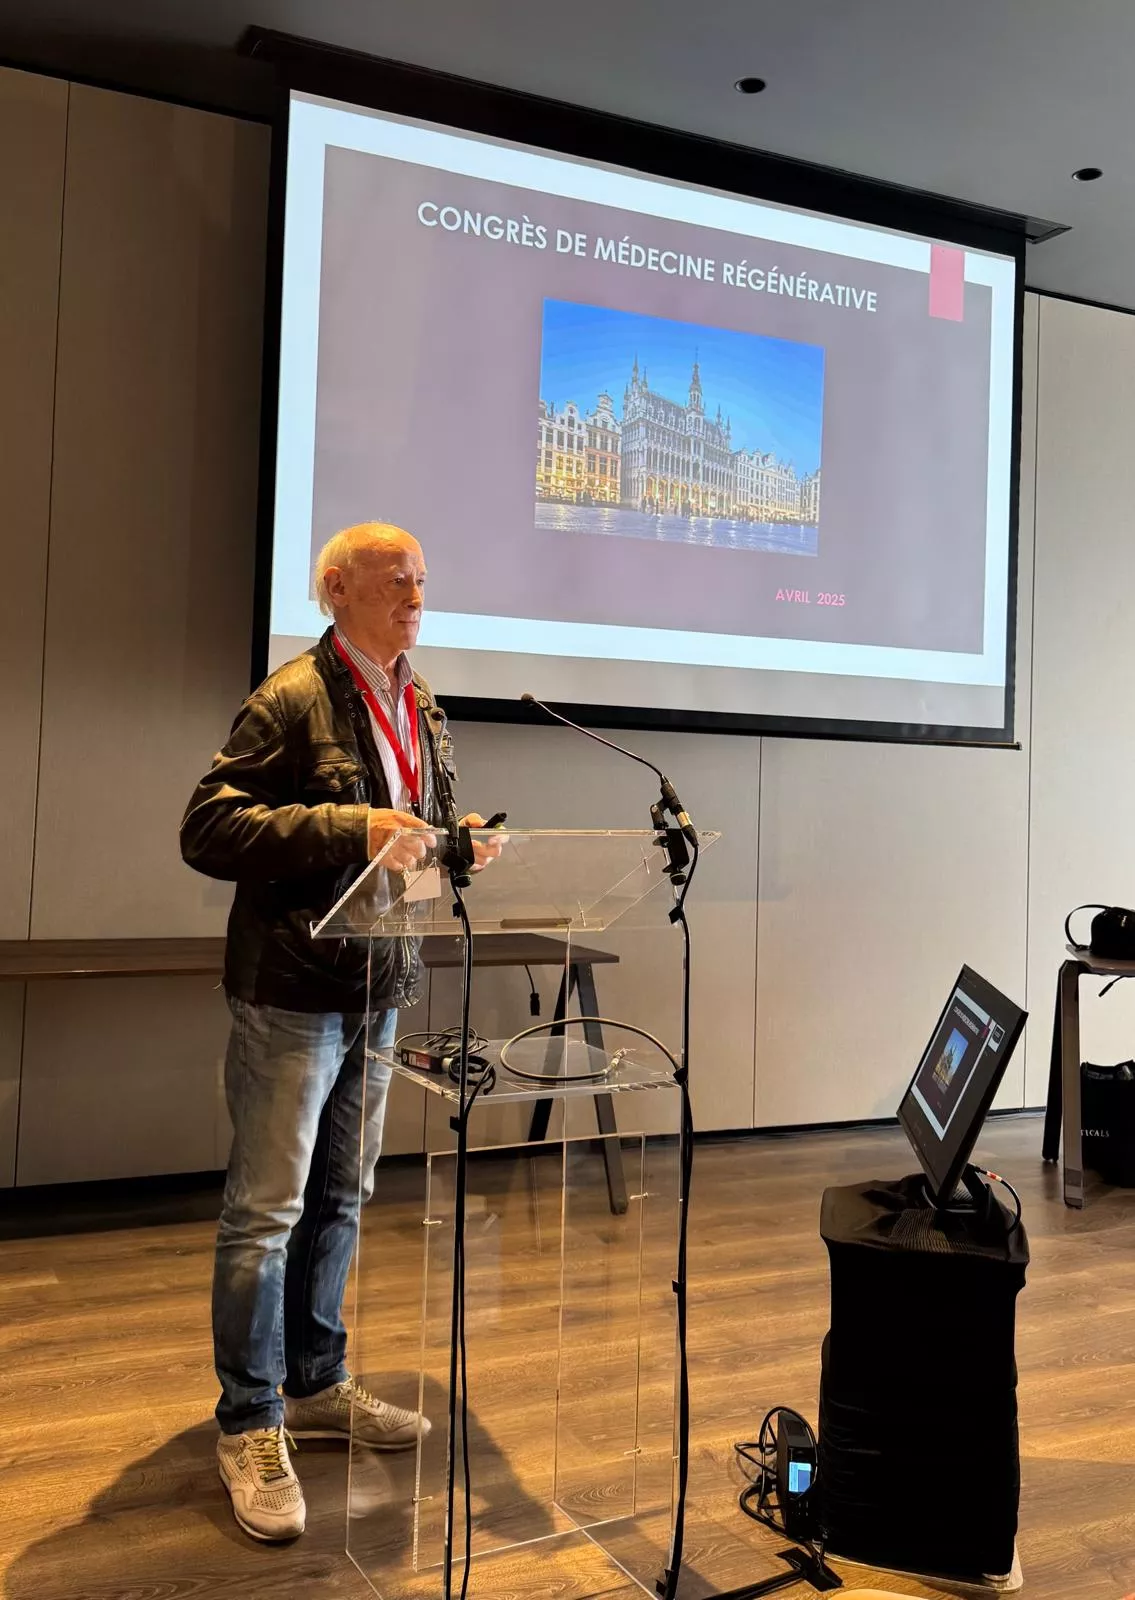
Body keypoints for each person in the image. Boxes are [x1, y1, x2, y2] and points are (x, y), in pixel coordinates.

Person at [180, 521, 500, 1543]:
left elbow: (414, 826)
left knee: (345, 1194)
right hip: (292, 992)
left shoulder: (418, 699)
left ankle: (316, 1381)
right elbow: (208, 827)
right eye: (393, 580)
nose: (415, 592)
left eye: (420, 577)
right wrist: (346, 827)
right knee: (267, 1211)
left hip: (379, 985)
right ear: (336, 593)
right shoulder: (292, 698)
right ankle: (249, 1418)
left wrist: (460, 845)